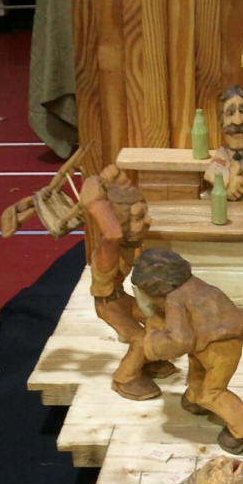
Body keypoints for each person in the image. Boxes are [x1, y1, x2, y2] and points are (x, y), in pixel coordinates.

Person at [131, 247, 243, 455]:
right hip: (209, 341)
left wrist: (152, 342)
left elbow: (180, 340)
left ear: (156, 288)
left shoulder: (174, 299)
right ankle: (194, 397)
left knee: (212, 392)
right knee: (197, 374)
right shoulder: (192, 284)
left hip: (222, 346)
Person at [80, 166, 176, 400]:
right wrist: (95, 196)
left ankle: (148, 361)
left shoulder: (126, 244)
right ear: (120, 223)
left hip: (120, 297)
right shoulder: (109, 248)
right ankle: (125, 377)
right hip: (108, 305)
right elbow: (112, 232)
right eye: (139, 218)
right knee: (139, 338)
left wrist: (114, 178)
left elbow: (124, 195)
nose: (149, 221)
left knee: (159, 319)